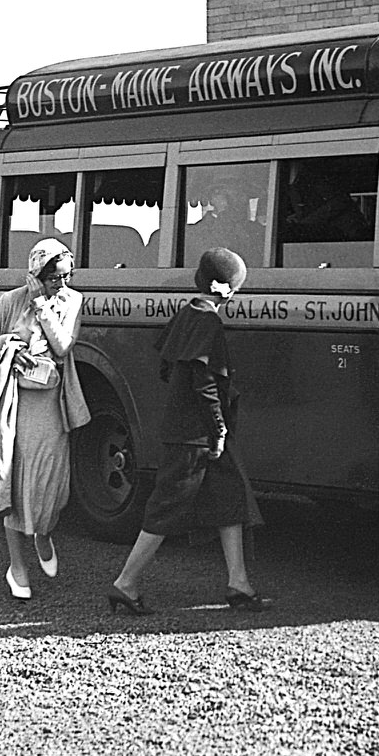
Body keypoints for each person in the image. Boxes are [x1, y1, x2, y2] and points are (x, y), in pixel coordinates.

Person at [107, 247, 267, 615]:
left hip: (186, 430)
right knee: (166, 509)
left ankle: (239, 584)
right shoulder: (208, 321)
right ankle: (125, 584)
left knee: (230, 500)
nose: (235, 295)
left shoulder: (187, 314)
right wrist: (219, 428)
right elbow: (205, 382)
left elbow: (168, 369)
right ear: (223, 288)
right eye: (235, 287)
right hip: (195, 436)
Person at [0, 238, 91, 599]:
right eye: (54, 278)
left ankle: (44, 532)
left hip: (53, 402)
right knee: (16, 484)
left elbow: (64, 345)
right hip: (16, 403)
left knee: (50, 484)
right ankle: (17, 566)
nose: (62, 284)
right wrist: (9, 348)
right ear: (37, 275)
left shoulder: (72, 301)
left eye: (67, 277)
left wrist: (42, 304)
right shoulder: (9, 301)